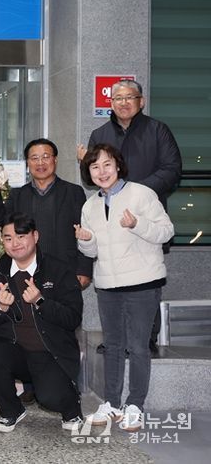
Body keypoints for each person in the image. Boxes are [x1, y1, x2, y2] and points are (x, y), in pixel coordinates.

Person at [0, 138, 91, 405]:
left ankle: (65, 378)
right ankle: (32, 383)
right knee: (30, 324)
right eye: (34, 157)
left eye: (46, 156)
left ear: (55, 160)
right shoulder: (19, 195)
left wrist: (83, 267)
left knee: (61, 325)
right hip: (29, 271)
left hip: (63, 272)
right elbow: (3, 221)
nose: (40, 162)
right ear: (27, 163)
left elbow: (84, 232)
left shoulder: (73, 192)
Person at [77, 79, 182, 351]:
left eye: (129, 97)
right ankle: (116, 338)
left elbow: (172, 169)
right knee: (114, 275)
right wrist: (84, 164)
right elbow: (90, 177)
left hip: (145, 218)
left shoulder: (158, 130)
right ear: (110, 103)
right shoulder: (99, 134)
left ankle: (146, 338)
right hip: (110, 219)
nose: (123, 103)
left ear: (141, 101)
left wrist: (134, 193)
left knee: (146, 277)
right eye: (117, 99)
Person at [76, 144, 174, 432]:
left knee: (138, 347)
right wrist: (85, 240)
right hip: (108, 285)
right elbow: (93, 251)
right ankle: (112, 403)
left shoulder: (141, 194)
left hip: (142, 283)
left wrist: (137, 224)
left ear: (118, 165)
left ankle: (135, 405)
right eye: (95, 167)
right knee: (113, 346)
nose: (102, 171)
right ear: (89, 172)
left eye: (107, 164)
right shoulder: (90, 206)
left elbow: (166, 231)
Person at [0, 212, 83, 433]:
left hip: (50, 352)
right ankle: (11, 410)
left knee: (50, 398)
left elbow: (73, 317)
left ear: (35, 236)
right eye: (8, 238)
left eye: (21, 236)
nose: (14, 243)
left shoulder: (58, 269)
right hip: (15, 351)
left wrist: (40, 301)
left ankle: (72, 407)